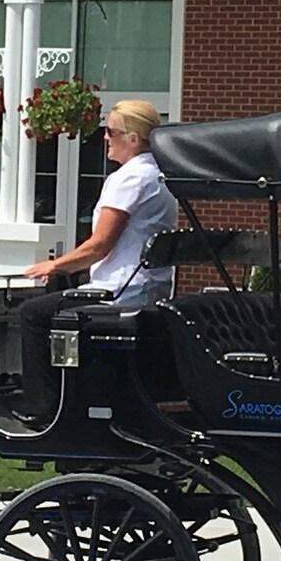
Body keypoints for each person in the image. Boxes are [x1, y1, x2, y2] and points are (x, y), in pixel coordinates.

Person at [11, 99, 177, 423]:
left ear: (133, 138)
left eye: (111, 131)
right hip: (147, 291)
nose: (104, 138)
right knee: (53, 304)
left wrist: (54, 265)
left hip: (117, 292)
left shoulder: (130, 179)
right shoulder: (160, 176)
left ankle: (43, 407)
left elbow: (100, 245)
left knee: (32, 314)